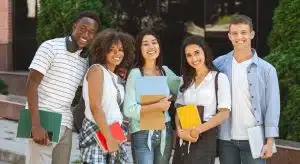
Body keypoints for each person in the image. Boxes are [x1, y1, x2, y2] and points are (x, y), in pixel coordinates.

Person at [26, 11, 100, 164]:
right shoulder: (50, 47)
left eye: (91, 32)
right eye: (82, 28)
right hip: (44, 118)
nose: (86, 34)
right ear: (74, 26)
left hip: (66, 122)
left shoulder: (83, 60)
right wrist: (35, 125)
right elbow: (31, 84)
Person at [213, 15, 280, 164]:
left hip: (256, 138)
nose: (239, 37)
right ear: (229, 36)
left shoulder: (267, 70)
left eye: (243, 32)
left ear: (252, 34)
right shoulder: (218, 64)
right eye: (235, 33)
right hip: (226, 138)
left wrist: (270, 141)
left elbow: (273, 107)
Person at [78, 29, 135, 163]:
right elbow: (95, 107)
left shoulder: (116, 76)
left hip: (115, 131)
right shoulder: (97, 70)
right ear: (103, 51)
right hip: (97, 131)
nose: (117, 53)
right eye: (112, 49)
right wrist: (109, 137)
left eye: (120, 49)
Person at [172, 36, 231, 164]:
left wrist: (197, 129)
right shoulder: (185, 79)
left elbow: (224, 113)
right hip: (184, 134)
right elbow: (179, 110)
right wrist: (179, 131)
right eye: (189, 55)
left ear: (205, 51)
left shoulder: (219, 78)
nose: (194, 59)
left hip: (205, 134)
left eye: (197, 53)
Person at [123, 30, 177, 164]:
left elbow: (184, 91)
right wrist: (158, 106)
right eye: (145, 44)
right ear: (139, 49)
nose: (151, 47)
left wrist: (172, 98)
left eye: (154, 43)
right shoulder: (135, 74)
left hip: (165, 130)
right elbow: (129, 110)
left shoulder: (165, 71)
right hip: (142, 132)